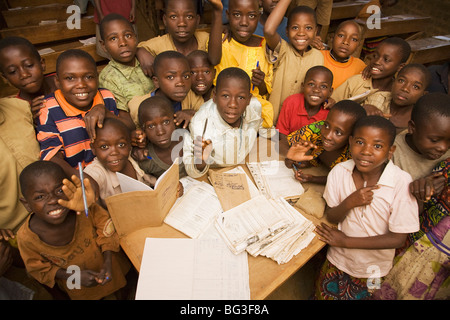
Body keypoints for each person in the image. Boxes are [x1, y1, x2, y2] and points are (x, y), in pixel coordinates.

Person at [314, 115, 419, 300]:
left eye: (377, 146)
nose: (366, 151)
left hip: (374, 269)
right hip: (338, 259)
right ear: (350, 141)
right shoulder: (339, 172)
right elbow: (332, 216)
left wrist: (346, 241)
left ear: (390, 151)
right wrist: (350, 202)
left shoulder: (401, 182)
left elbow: (397, 239)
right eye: (360, 142)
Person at [17, 160, 130, 300]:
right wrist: (74, 276)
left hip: (112, 268)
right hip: (78, 287)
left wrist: (108, 262)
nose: (53, 200)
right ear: (27, 204)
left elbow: (106, 229)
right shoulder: (26, 238)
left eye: (59, 190)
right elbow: (39, 269)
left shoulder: (85, 209)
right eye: (40, 197)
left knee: (124, 290)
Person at [35, 49, 121, 179]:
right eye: (70, 78)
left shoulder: (106, 97)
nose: (81, 85)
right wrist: (82, 179)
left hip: (112, 169)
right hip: (75, 177)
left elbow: (123, 133)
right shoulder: (48, 108)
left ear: (97, 77)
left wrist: (105, 112)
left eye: (88, 77)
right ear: (57, 81)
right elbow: (51, 156)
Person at [372, 158, 450, 300]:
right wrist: (421, 192)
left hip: (440, 273)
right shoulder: (447, 168)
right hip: (411, 248)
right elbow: (418, 208)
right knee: (379, 288)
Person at [183, 67, 262, 178]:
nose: (233, 104)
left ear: (249, 99)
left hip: (241, 166)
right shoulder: (200, 125)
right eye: (225, 96)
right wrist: (200, 161)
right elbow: (190, 168)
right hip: (214, 172)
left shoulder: (254, 108)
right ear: (214, 96)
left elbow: (258, 128)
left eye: (241, 97)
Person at [215, 0, 274, 129]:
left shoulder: (264, 45)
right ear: (228, 15)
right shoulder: (222, 42)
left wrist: (261, 83)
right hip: (223, 111)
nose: (244, 22)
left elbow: (265, 91)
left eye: (251, 16)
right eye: (237, 15)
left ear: (258, 17)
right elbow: (213, 62)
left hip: (254, 112)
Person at [264, 0, 324, 125]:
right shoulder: (282, 50)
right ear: (286, 31)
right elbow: (269, 30)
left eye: (308, 28)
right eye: (295, 27)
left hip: (296, 126)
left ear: (316, 31)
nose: (301, 33)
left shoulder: (318, 57)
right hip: (270, 121)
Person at [285, 100, 367, 185]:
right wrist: (290, 156)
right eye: (327, 125)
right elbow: (287, 141)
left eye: (338, 132)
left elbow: (342, 180)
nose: (327, 135)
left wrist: (312, 179)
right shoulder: (318, 127)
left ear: (352, 137)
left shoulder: (355, 155)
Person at [135, 0, 223, 77]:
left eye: (189, 17)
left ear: (197, 20)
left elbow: (215, 58)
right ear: (165, 20)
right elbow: (131, 48)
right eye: (174, 17)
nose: (181, 23)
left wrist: (227, 28)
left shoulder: (207, 40)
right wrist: (139, 51)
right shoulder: (158, 45)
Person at [84, 117, 157, 208]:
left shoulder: (132, 159)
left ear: (130, 145)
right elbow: (88, 183)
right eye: (104, 147)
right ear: (93, 149)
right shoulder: (96, 171)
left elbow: (151, 180)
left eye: (121, 145)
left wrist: (170, 188)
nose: (114, 152)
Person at [331, 37, 411, 116]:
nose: (377, 62)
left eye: (386, 59)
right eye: (375, 56)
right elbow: (330, 103)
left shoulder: (398, 95)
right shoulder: (357, 82)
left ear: (400, 67)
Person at [128, 50, 202, 130]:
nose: (180, 83)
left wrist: (194, 115)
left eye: (186, 76)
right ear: (156, 81)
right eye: (170, 77)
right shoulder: (138, 106)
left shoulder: (193, 99)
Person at [98, 13, 154, 116]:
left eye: (128, 35)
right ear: (103, 45)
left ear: (136, 38)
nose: (123, 43)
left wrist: (140, 50)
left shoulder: (147, 59)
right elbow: (122, 118)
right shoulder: (108, 78)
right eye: (113, 38)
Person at [0, 36, 57, 123]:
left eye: (29, 65)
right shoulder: (19, 109)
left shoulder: (67, 81)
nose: (24, 75)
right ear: (6, 78)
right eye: (12, 71)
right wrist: (31, 121)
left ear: (42, 64)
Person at [134, 96, 187, 179]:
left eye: (166, 122)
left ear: (174, 119)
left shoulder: (188, 138)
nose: (160, 132)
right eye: (151, 126)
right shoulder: (148, 159)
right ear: (143, 129)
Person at [276, 65, 333, 140]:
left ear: (330, 92)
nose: (316, 90)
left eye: (323, 86)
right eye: (311, 84)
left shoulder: (330, 113)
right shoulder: (291, 102)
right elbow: (281, 134)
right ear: (303, 86)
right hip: (287, 147)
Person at [321, 20, 366, 89]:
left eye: (354, 39)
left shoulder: (360, 67)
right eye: (341, 35)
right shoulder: (318, 56)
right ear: (332, 38)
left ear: (358, 45)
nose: (345, 42)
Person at [386, 64, 430, 134]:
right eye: (401, 81)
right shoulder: (376, 98)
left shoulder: (418, 124)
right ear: (394, 81)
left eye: (415, 87)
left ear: (423, 94)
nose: (405, 88)